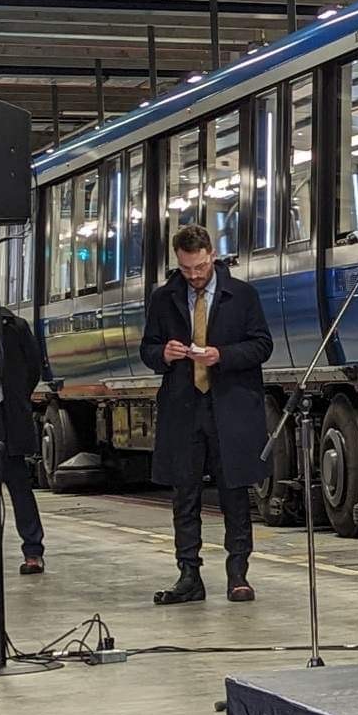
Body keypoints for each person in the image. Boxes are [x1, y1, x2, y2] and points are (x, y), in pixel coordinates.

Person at [139, 225, 273, 604]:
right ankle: (188, 575)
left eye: (199, 267)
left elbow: (262, 345)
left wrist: (222, 356)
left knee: (234, 491)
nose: (195, 276)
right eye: (186, 270)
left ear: (212, 255)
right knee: (185, 494)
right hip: (184, 407)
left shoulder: (242, 295)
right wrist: (162, 354)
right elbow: (147, 349)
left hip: (229, 405)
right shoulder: (164, 298)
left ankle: (238, 575)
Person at [0, 301, 44, 575]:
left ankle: (33, 551)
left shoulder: (13, 327)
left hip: (8, 417)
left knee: (20, 489)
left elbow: (33, 368)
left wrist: (15, 399)